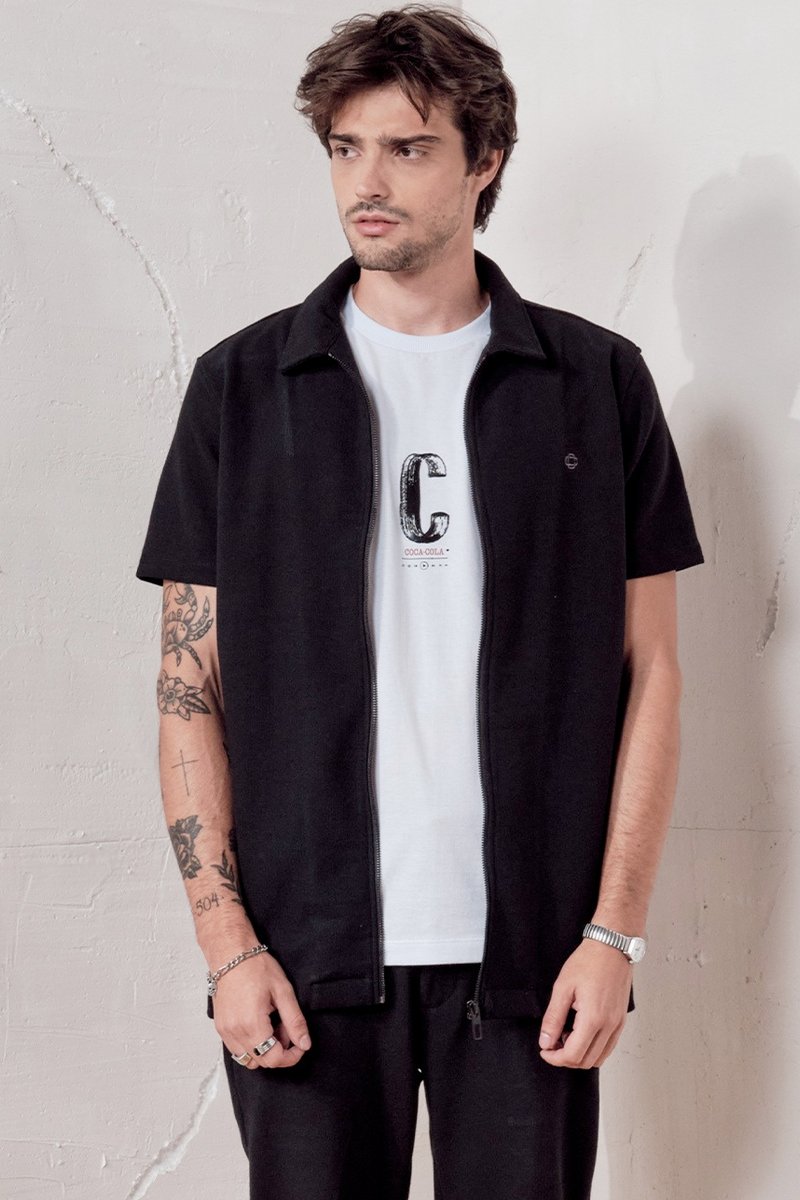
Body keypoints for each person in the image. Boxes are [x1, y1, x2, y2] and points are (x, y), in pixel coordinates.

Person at [135, 6, 704, 1197]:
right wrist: (226, 946)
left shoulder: (594, 384)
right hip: (304, 961)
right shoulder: (242, 389)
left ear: (484, 159)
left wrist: (613, 933)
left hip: (533, 958)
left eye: (406, 148)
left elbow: (649, 671)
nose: (366, 183)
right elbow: (190, 686)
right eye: (344, 148)